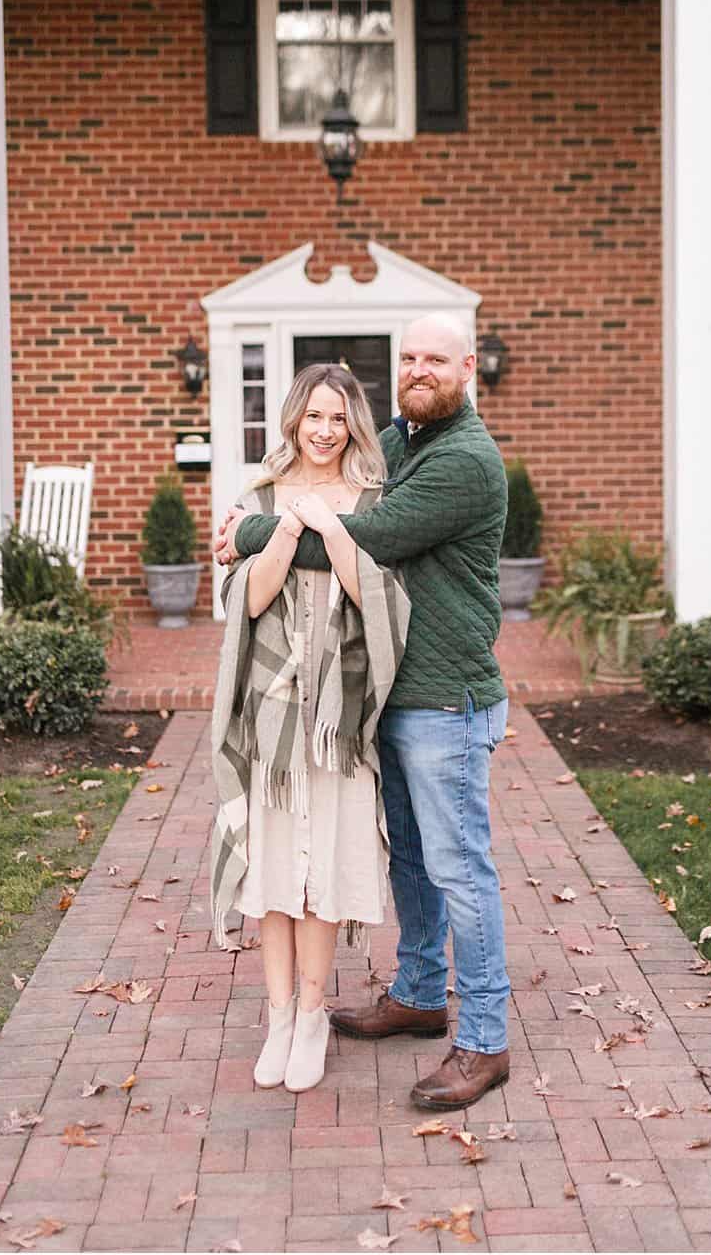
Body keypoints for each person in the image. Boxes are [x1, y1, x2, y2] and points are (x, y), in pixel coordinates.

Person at [216, 314, 512, 1110]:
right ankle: (419, 993)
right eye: (409, 357)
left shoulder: (465, 462)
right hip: (393, 697)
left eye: (436, 359)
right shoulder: (406, 440)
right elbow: (330, 473)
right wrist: (276, 516)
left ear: (468, 366)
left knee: (460, 870)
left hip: (445, 696)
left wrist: (246, 530)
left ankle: (484, 1040)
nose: (419, 369)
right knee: (412, 861)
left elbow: (369, 533)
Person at [210, 363, 410, 1096]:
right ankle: (279, 1017)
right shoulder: (258, 496)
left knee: (322, 862)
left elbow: (382, 598)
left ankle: (316, 1012)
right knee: (271, 870)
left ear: (353, 424)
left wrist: (335, 526)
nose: (324, 432)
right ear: (293, 419)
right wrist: (291, 526)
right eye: (313, 417)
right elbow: (247, 600)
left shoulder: (374, 500)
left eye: (338, 419)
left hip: (340, 714)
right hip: (270, 709)